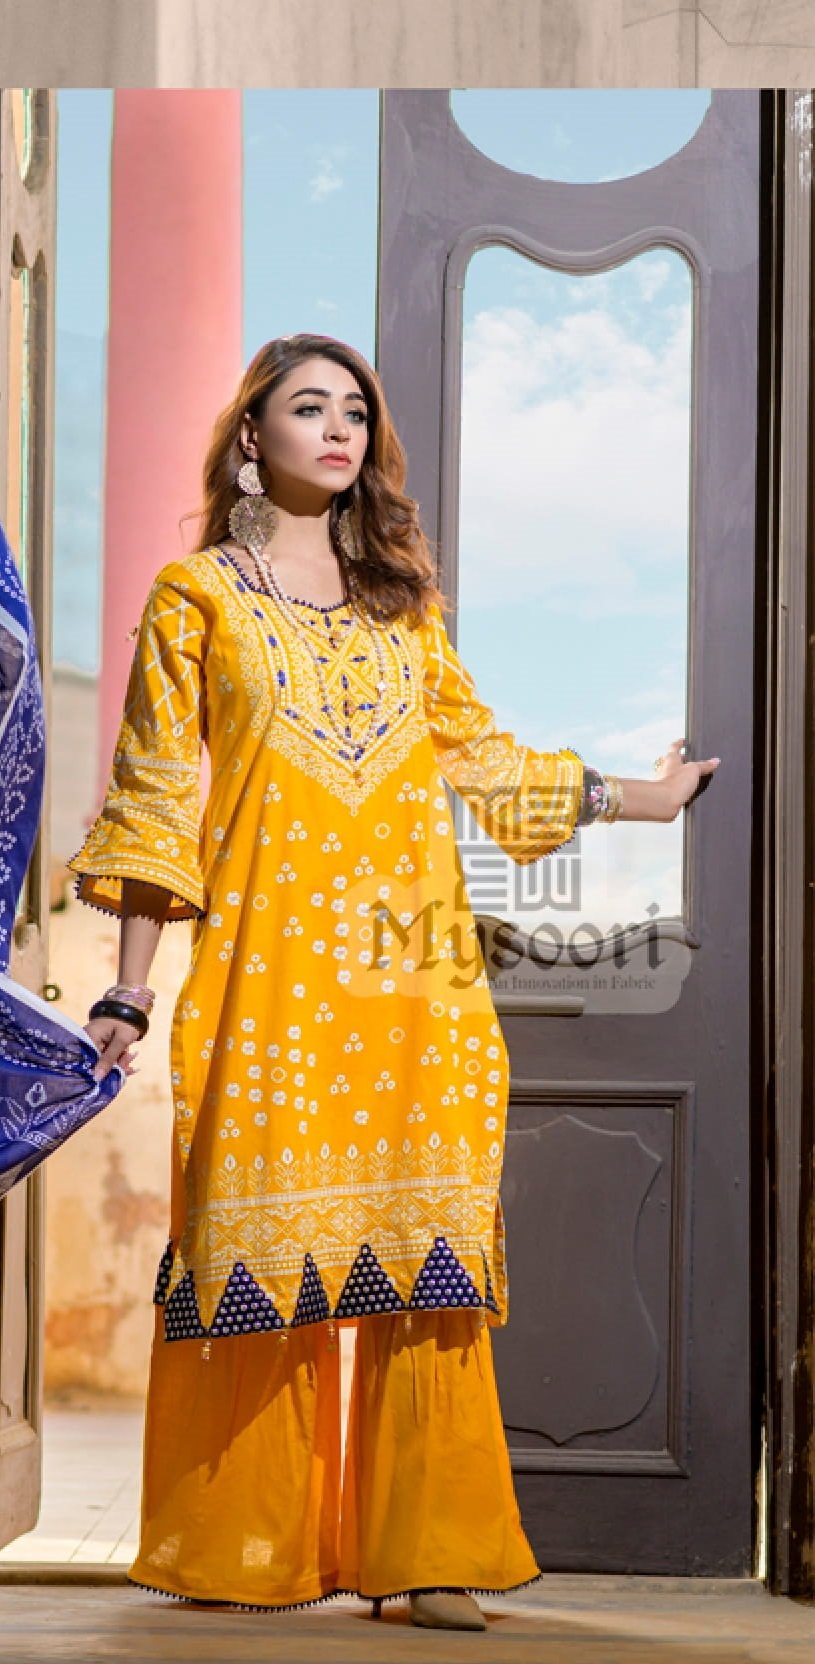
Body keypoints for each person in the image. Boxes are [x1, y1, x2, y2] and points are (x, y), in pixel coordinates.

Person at [67, 334, 719, 1629]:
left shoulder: (401, 611)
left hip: (417, 979)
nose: (339, 428)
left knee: (424, 1260)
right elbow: (153, 805)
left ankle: (430, 1555)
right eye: (309, 407)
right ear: (250, 437)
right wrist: (127, 995)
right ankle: (244, 1544)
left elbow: (483, 760)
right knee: (258, 1247)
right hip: (266, 977)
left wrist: (639, 799)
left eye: (355, 411)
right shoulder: (198, 599)